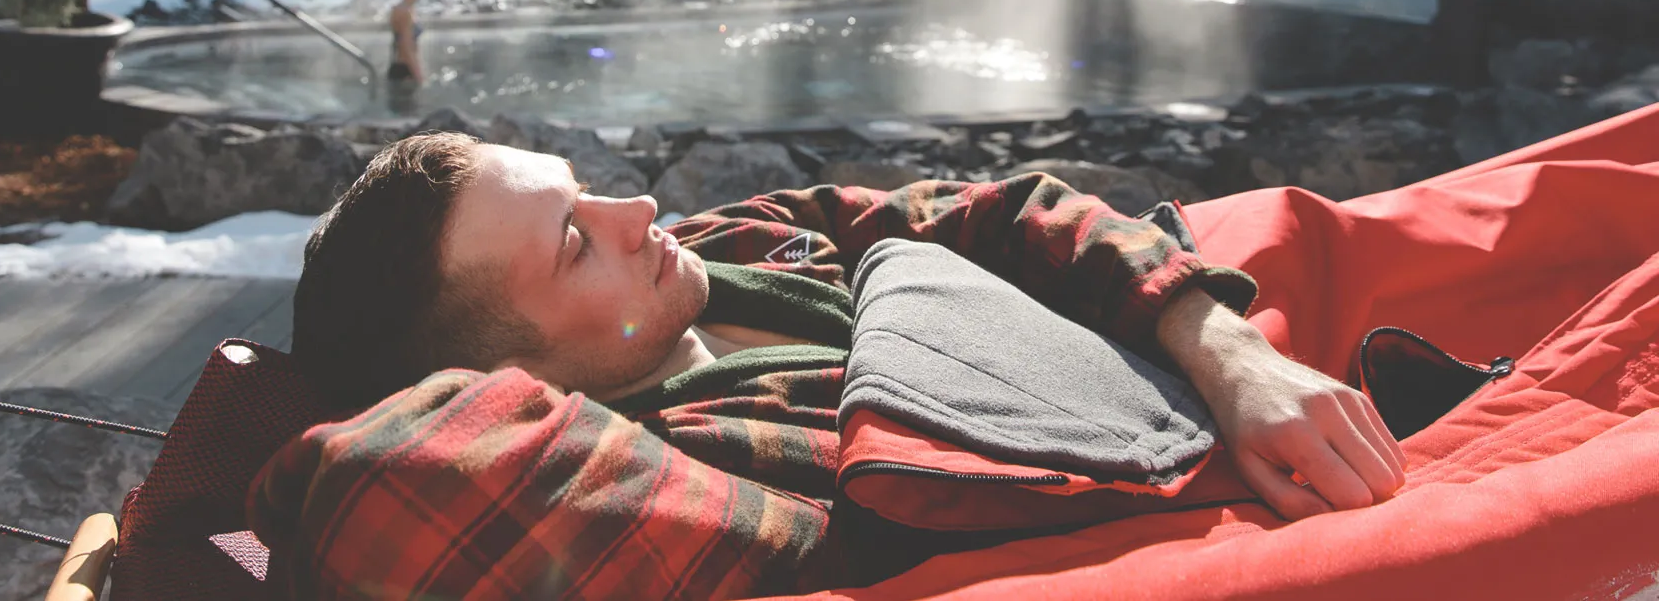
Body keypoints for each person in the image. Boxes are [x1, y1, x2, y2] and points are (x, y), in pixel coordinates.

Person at [267, 132, 1407, 595]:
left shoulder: (727, 246)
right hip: (1232, 468)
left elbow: (997, 205)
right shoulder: (688, 467)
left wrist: (1227, 347)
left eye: (584, 184)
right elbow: (385, 490)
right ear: (516, 387)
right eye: (575, 242)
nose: (641, 208)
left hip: (1230, 353)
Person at [385, 0, 428, 106]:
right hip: (403, 69)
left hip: (404, 67)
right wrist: (417, 74)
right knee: (407, 113)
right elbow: (406, 47)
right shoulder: (403, 11)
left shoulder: (408, 9)